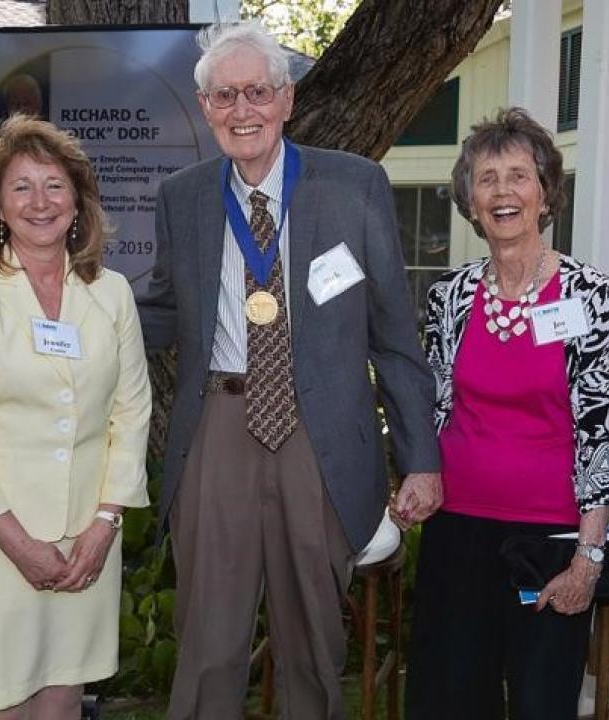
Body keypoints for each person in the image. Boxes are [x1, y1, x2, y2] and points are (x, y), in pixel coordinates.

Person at [138, 21, 441, 719]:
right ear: (205, 107)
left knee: (313, 642)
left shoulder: (353, 185)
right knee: (208, 642)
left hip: (319, 433)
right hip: (217, 428)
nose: (241, 110)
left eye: (256, 92)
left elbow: (394, 335)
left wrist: (419, 459)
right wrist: (73, 313)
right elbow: (160, 309)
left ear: (287, 99)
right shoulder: (183, 196)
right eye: (224, 96)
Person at [405, 107, 609, 719]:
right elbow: (433, 407)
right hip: (457, 536)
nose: (503, 191)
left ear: (545, 192)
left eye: (518, 176)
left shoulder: (591, 296)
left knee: (539, 702)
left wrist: (589, 557)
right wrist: (416, 475)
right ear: (471, 201)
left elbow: (601, 431)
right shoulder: (449, 296)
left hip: (550, 543)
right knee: (449, 701)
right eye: (487, 179)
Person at [0, 114, 151, 718]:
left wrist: (105, 524)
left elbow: (133, 411)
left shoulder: (111, 293)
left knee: (63, 696)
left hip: (87, 540)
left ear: (77, 202)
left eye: (55, 185)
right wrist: (20, 545)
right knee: (2, 702)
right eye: (21, 187)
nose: (40, 201)